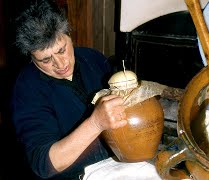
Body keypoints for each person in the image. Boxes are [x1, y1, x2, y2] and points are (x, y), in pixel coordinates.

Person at [10, 0, 128, 179]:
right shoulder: (27, 89)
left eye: (62, 50)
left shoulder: (93, 58)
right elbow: (44, 164)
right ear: (32, 57)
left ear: (69, 35)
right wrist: (95, 123)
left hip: (115, 165)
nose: (60, 64)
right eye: (46, 60)